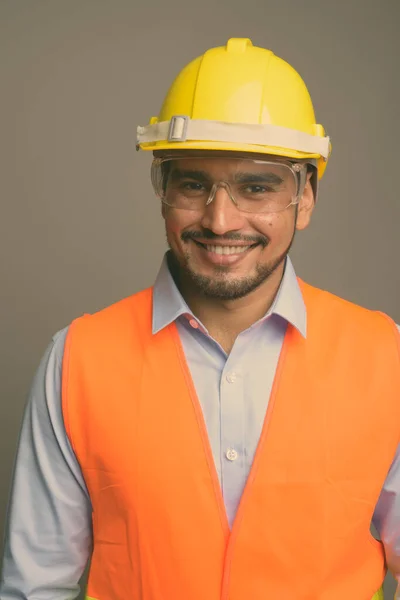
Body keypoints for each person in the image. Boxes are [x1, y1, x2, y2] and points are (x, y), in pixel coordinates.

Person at [0, 37, 399, 600]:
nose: (219, 219)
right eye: (193, 184)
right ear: (162, 190)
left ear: (305, 197)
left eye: (256, 187)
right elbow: (35, 586)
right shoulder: (77, 360)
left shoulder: (387, 359)